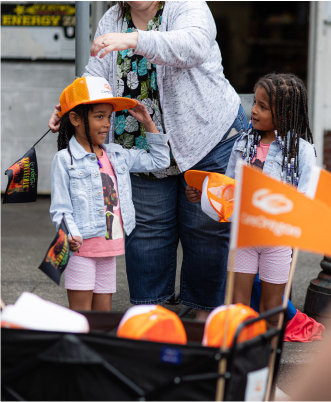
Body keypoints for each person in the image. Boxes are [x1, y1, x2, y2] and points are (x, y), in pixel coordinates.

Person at [49, 1, 245, 320]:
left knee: (205, 230)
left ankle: (202, 318)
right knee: (148, 232)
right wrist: (68, 105)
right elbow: (95, 78)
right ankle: (149, 318)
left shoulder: (187, 6)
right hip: (141, 145)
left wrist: (134, 40)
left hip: (207, 138)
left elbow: (193, 46)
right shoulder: (111, 20)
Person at [187, 73, 316, 324]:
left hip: (277, 240)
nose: (253, 110)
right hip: (243, 236)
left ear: (285, 112)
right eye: (254, 103)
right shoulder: (243, 144)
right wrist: (203, 194)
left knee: (272, 307)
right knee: (236, 306)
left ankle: (265, 358)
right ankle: (239, 354)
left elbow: (305, 198)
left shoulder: (302, 151)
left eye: (263, 106)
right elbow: (228, 189)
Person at [50, 76, 170, 311]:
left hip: (109, 251)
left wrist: (149, 124)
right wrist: (71, 234)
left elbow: (160, 160)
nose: (107, 124)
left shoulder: (116, 155)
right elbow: (60, 208)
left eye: (108, 116)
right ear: (75, 118)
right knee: (81, 318)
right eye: (99, 116)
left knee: (103, 318)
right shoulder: (65, 160)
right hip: (82, 250)